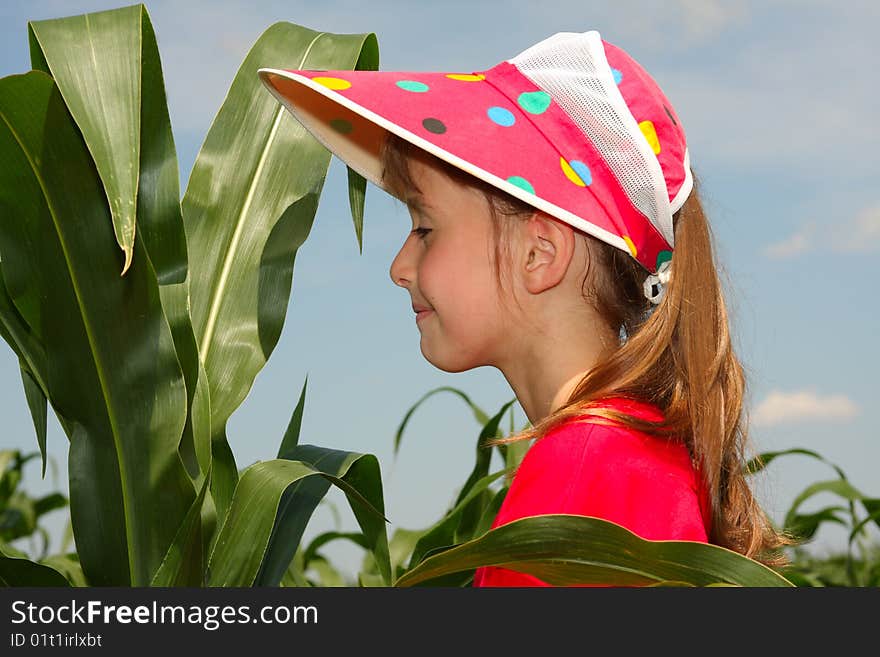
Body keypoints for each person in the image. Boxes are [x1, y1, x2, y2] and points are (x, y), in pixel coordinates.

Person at [258, 30, 790, 586]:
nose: (400, 267)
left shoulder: (582, 473)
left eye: (423, 227)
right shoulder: (632, 452)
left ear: (541, 252)